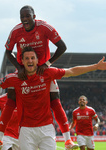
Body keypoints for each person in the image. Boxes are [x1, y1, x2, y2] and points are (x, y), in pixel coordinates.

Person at [0, 46, 106, 150]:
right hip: (25, 131)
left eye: (33, 58)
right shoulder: (14, 79)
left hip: (46, 129)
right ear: (21, 62)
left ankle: (67, 139)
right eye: (27, 58)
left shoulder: (47, 73)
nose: (30, 61)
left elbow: (72, 71)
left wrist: (95, 66)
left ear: (38, 61)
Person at [5, 5, 76, 149]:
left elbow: (62, 46)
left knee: (55, 101)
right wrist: (19, 68)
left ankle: (68, 139)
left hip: (42, 73)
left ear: (34, 16)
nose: (25, 19)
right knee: (11, 96)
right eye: (22, 17)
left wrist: (48, 63)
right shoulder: (15, 31)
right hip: (24, 72)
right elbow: (7, 52)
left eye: (28, 16)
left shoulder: (44, 27)